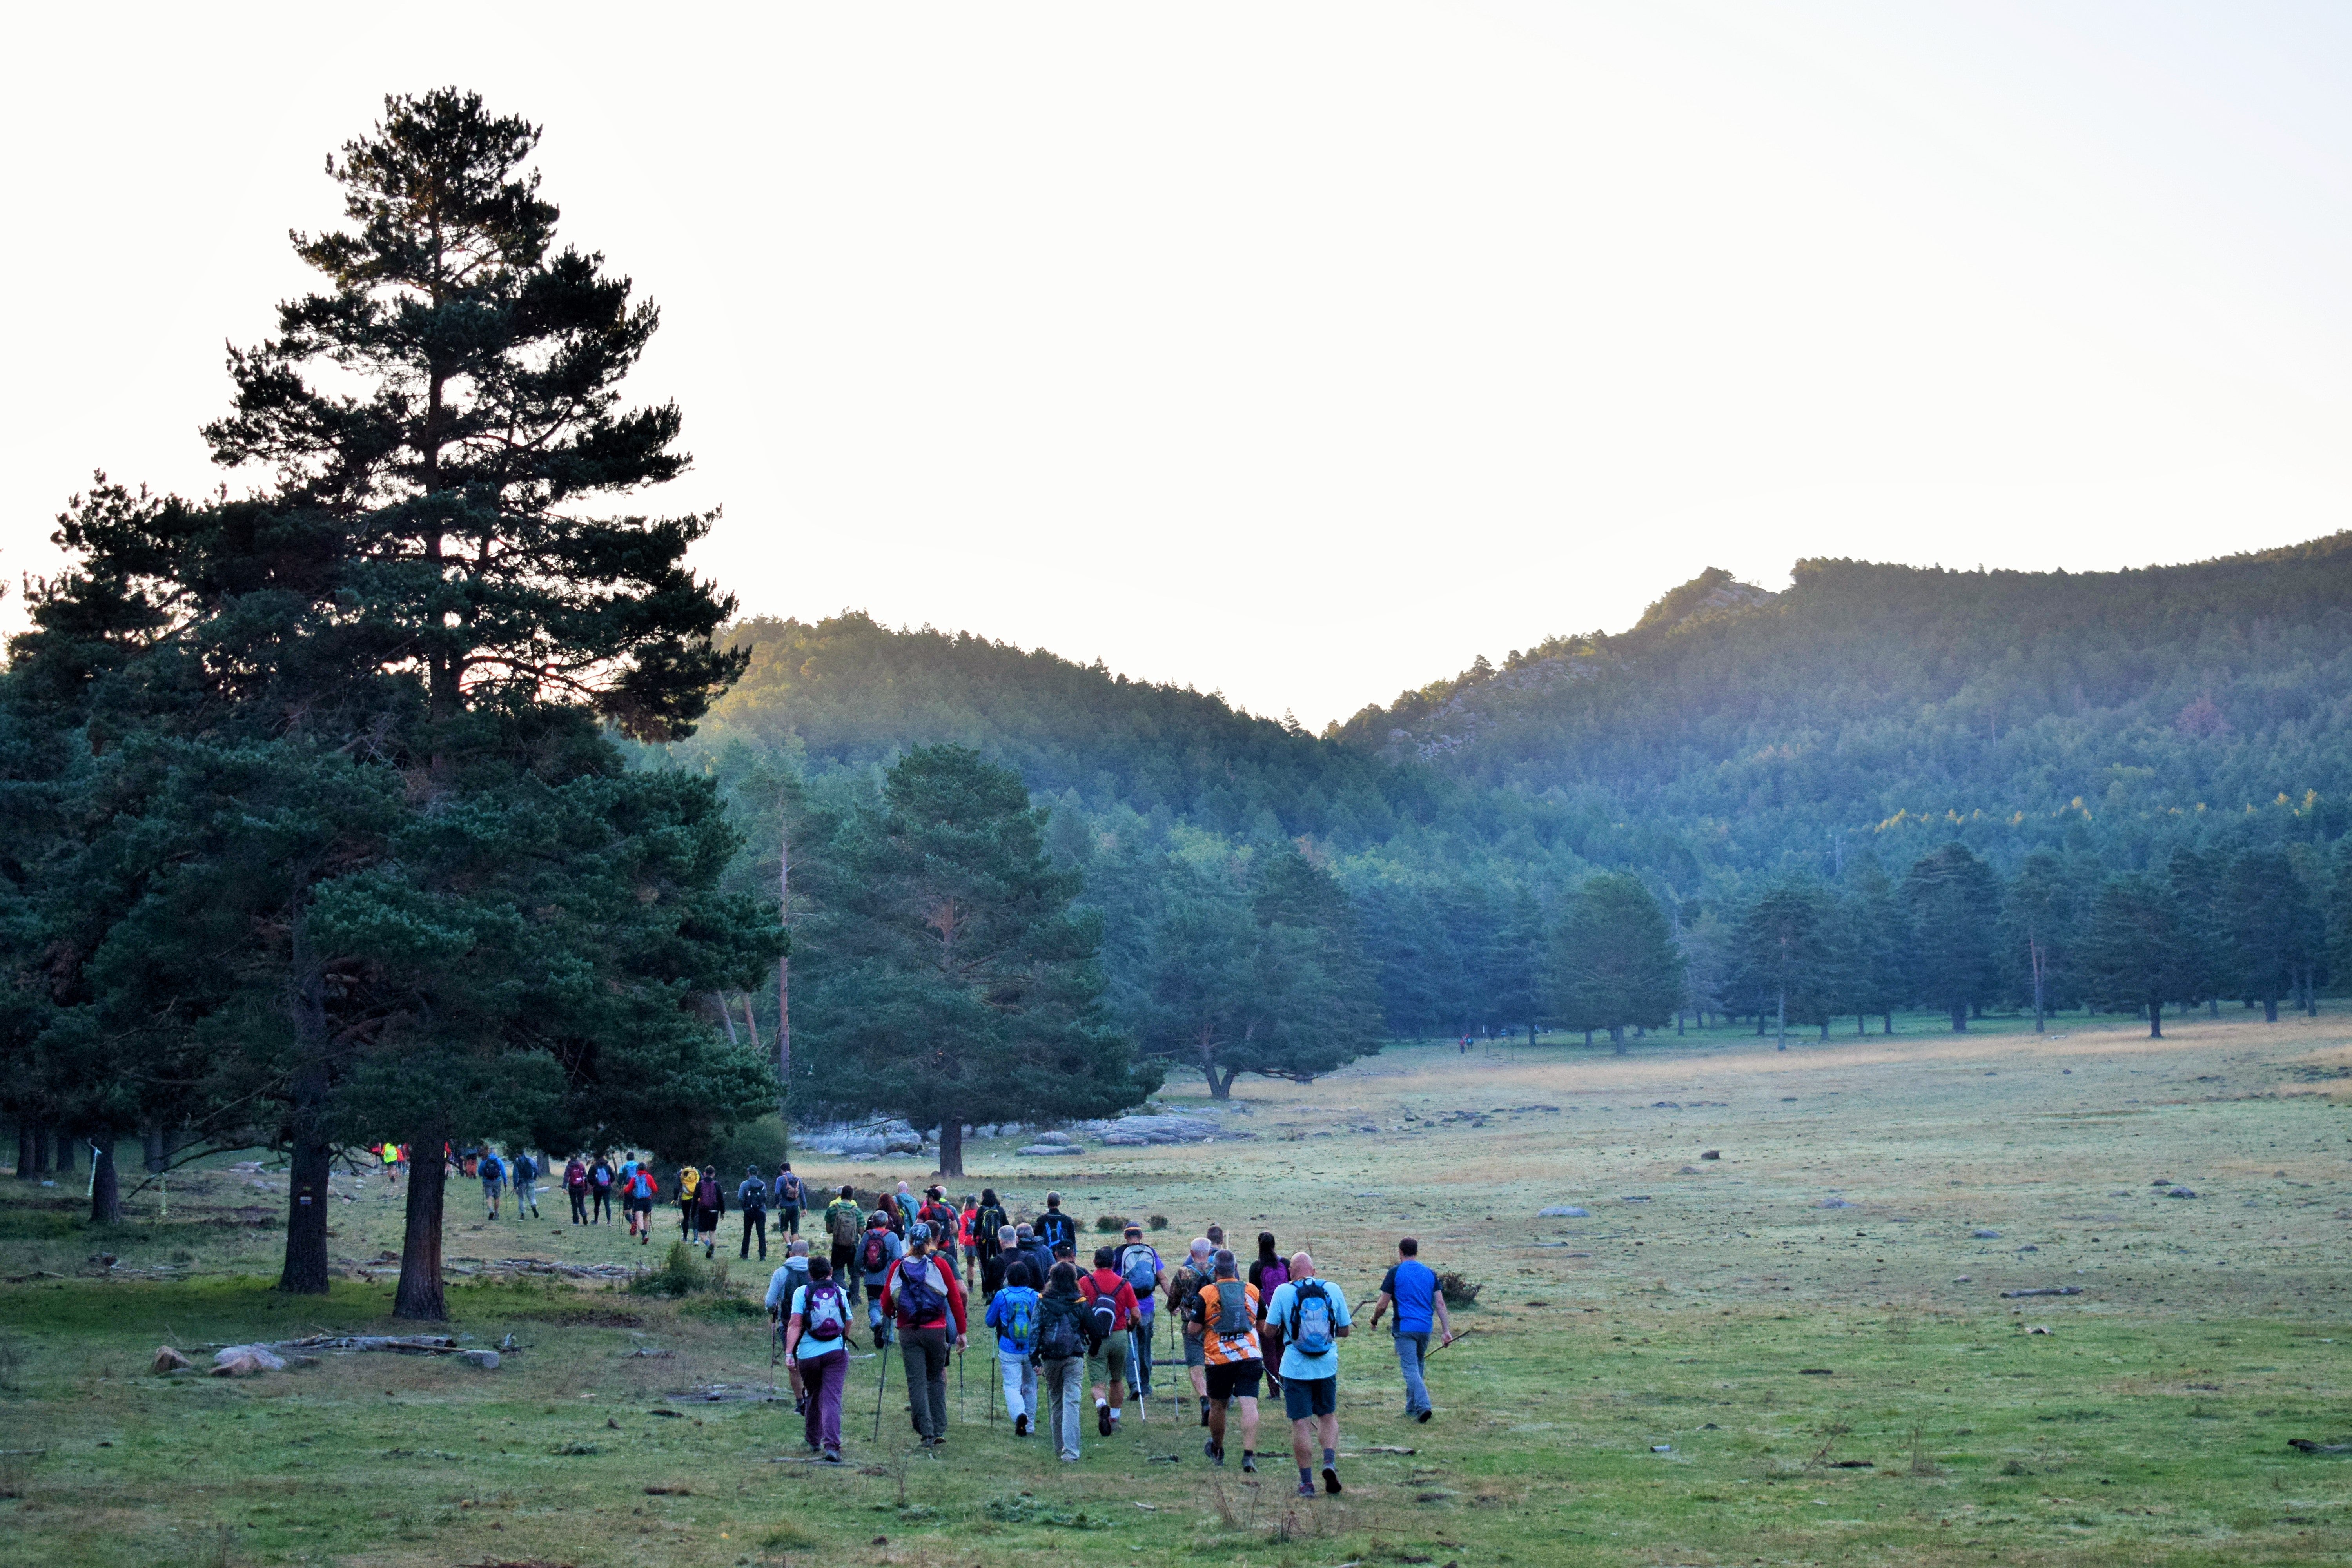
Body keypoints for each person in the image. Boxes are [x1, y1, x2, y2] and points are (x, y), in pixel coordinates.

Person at [1263, 1251, 1352, 1498]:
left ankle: (1307, 1483)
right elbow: (1344, 1330)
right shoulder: (1332, 1289)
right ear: (1314, 1271)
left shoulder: (1283, 1291)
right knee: (1327, 1416)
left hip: (1295, 1368)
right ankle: (1329, 1462)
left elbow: (1270, 1332)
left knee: (1301, 1422)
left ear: (1291, 1273)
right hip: (1326, 1366)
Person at [878, 1221, 969, 1448]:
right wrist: (961, 1331)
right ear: (930, 1241)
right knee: (935, 1378)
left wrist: (890, 1315)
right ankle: (939, 1428)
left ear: (910, 1242)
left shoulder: (899, 1266)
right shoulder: (939, 1263)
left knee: (916, 1381)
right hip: (936, 1330)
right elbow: (955, 1299)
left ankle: (926, 1432)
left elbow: (887, 1301)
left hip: (909, 1331)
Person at [1368, 1237, 1454, 1421]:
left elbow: (1382, 1304)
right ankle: (1411, 1408)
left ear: (1400, 1252)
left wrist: (1374, 1319)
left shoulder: (1395, 1273)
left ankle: (1423, 1407)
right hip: (1425, 1329)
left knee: (1410, 1370)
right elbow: (1439, 1303)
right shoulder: (1430, 1273)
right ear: (1417, 1252)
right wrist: (1446, 1331)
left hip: (1405, 1328)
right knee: (1418, 1366)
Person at [1194, 1249, 1263, 1470]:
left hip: (1219, 1359)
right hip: (1250, 1356)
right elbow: (1262, 1327)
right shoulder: (1253, 1291)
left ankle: (1218, 1449)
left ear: (1215, 1270)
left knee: (1218, 1406)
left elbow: (1194, 1329)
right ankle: (1249, 1455)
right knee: (1249, 1405)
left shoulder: (1207, 1293)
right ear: (1235, 1268)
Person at [781, 1255, 855, 1462]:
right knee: (832, 1398)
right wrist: (843, 1340)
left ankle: (813, 1439)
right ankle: (832, 1446)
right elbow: (848, 1320)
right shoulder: (839, 1291)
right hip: (836, 1352)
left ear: (810, 1274)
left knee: (813, 1394)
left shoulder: (801, 1292)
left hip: (808, 1354)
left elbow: (795, 1324)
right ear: (831, 1272)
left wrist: (789, 1353)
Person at [1080, 1245, 1141, 1437]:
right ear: (1114, 1263)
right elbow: (1137, 1314)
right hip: (1119, 1335)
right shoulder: (1124, 1284)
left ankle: (1102, 1405)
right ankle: (1114, 1419)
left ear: (1094, 1262)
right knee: (1117, 1379)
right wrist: (1130, 1324)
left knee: (1098, 1385)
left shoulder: (1084, 1281)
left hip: (1095, 1337)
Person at [1036, 1259, 1091, 1462]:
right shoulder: (1080, 1302)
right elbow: (1094, 1329)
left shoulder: (1042, 1301)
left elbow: (1035, 1330)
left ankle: (1059, 1447)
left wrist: (1035, 1357)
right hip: (1074, 1355)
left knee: (1057, 1401)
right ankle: (1071, 1452)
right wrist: (1092, 1347)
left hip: (1050, 1357)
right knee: (1072, 1402)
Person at [983, 1252, 1042, 1436]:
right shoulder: (1035, 1296)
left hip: (1008, 1348)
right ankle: (1030, 1425)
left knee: (1011, 1386)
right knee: (1031, 1387)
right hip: (1031, 1349)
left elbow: (990, 1321)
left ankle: (1019, 1414)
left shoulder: (1002, 1295)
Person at [1116, 1223, 1166, 1412]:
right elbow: (1161, 1278)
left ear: (1126, 1237)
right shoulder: (1150, 1251)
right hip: (1147, 1307)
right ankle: (1145, 1386)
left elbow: (1116, 1281)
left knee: (1131, 1347)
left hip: (1128, 1308)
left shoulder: (1119, 1253)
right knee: (1146, 1348)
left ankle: (1134, 1385)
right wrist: (1174, 1302)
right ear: (1141, 1235)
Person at [1167, 1237, 1215, 1425]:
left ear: (1192, 1253)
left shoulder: (1183, 1273)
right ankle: (1217, 1398)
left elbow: (1173, 1299)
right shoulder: (1217, 1271)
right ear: (1210, 1253)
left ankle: (1204, 1399)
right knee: (1214, 1362)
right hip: (1215, 1325)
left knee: (1196, 1366)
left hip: (1191, 1325)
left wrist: (1173, 1308)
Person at [765, 1238, 815, 1410]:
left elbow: (770, 1302)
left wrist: (773, 1311)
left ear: (791, 1254)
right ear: (807, 1254)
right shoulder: (816, 1271)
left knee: (793, 1364)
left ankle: (800, 1402)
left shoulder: (781, 1272)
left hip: (788, 1324)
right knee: (809, 1361)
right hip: (812, 1326)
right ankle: (811, 1398)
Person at [1248, 1233, 1292, 1394]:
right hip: (1284, 1314)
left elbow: (1253, 1293)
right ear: (1275, 1244)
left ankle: (1274, 1391)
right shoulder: (1286, 1264)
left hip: (1264, 1316)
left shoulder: (1256, 1267)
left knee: (1269, 1353)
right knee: (1282, 1350)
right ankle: (1286, 1384)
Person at [857, 1209, 904, 1346]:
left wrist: (861, 1269)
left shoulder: (867, 1236)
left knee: (874, 1304)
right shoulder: (893, 1237)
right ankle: (888, 1337)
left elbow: (859, 1257)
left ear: (872, 1222)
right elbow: (897, 1259)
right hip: (888, 1279)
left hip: (872, 1278)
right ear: (887, 1223)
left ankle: (876, 1322)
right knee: (889, 1307)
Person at [823, 1185, 866, 1300]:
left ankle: (845, 1292)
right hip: (853, 1247)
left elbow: (828, 1230)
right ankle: (855, 1298)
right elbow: (862, 1232)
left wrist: (839, 1229)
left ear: (840, 1195)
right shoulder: (857, 1211)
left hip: (838, 1246)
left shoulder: (832, 1209)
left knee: (837, 1274)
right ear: (852, 1196)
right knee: (855, 1275)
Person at [973, 1189, 1009, 1288]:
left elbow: (977, 1227)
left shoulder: (981, 1210)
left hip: (985, 1242)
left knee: (985, 1265)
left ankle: (986, 1289)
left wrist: (975, 1236)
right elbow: (1007, 1225)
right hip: (998, 1242)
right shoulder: (1000, 1209)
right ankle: (999, 1286)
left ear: (984, 1197)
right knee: (1000, 1263)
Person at [737, 1165, 770, 1260]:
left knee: (747, 1233)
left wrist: (746, 1208)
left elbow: (740, 1198)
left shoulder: (744, 1184)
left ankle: (745, 1254)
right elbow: (765, 1197)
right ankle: (763, 1255)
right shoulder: (762, 1184)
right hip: (761, 1211)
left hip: (749, 1212)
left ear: (749, 1173)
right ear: (757, 1173)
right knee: (761, 1233)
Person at [624, 1160, 658, 1244]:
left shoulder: (634, 1178)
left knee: (639, 1218)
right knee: (646, 1218)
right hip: (648, 1200)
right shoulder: (649, 1177)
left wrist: (624, 1189)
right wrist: (651, 1195)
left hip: (638, 1200)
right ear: (646, 1169)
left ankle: (644, 1235)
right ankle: (645, 1235)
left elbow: (628, 1190)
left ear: (638, 1169)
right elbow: (655, 1189)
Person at [695, 1165, 726, 1257]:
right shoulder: (717, 1185)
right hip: (714, 1211)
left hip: (703, 1211)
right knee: (712, 1232)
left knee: (702, 1234)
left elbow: (695, 1199)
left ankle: (709, 1245)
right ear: (714, 1174)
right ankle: (712, 1252)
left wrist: (693, 1213)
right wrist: (722, 1212)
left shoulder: (700, 1184)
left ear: (704, 1174)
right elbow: (721, 1200)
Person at [1036, 1191, 1077, 1255]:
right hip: (1064, 1255)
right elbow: (1073, 1241)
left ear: (1048, 1203)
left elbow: (1036, 1240)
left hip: (1046, 1254)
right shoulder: (1067, 1220)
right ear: (1059, 1203)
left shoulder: (1041, 1220)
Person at [773, 1163, 803, 1238]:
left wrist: (777, 1203)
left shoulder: (780, 1179)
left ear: (782, 1171)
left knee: (784, 1228)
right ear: (790, 1169)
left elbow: (777, 1193)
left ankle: (789, 1245)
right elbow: (802, 1194)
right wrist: (805, 1208)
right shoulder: (798, 1179)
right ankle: (794, 1248)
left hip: (785, 1207)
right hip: (796, 1207)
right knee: (795, 1231)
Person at [510, 1150, 541, 1220]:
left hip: (522, 1182)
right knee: (532, 1197)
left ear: (518, 1154)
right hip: (531, 1181)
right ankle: (533, 1206)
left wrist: (515, 1185)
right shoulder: (530, 1159)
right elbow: (536, 1169)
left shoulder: (517, 1161)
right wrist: (535, 1178)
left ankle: (522, 1214)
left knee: (521, 1198)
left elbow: (515, 1174)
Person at [478, 1148, 506, 1220]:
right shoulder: (498, 1160)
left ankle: (491, 1211)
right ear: (495, 1153)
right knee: (497, 1197)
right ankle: (496, 1214)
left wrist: (484, 1175)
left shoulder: (485, 1160)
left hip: (487, 1181)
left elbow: (480, 1173)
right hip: (497, 1181)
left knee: (489, 1197)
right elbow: (503, 1171)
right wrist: (505, 1181)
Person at [588, 1155, 615, 1225]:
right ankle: (609, 1221)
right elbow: (613, 1177)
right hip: (607, 1188)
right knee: (607, 1205)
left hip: (597, 1189)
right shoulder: (608, 1166)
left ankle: (596, 1220)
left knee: (597, 1205)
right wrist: (609, 1183)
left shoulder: (593, 1167)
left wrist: (594, 1184)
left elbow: (589, 1178)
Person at [676, 1163, 701, 1239]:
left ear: (684, 1165)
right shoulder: (697, 1172)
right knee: (695, 1217)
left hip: (686, 1199)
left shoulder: (681, 1173)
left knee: (686, 1218)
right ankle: (696, 1239)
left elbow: (676, 1187)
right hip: (696, 1198)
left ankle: (685, 1238)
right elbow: (702, 1183)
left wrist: (675, 1198)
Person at [564, 1154, 590, 1225]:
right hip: (581, 1188)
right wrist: (586, 1188)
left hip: (572, 1188)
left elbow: (566, 1177)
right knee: (581, 1203)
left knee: (574, 1204)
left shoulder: (569, 1166)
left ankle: (576, 1221)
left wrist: (564, 1187)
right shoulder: (581, 1166)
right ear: (577, 1158)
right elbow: (585, 1178)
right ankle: (584, 1215)